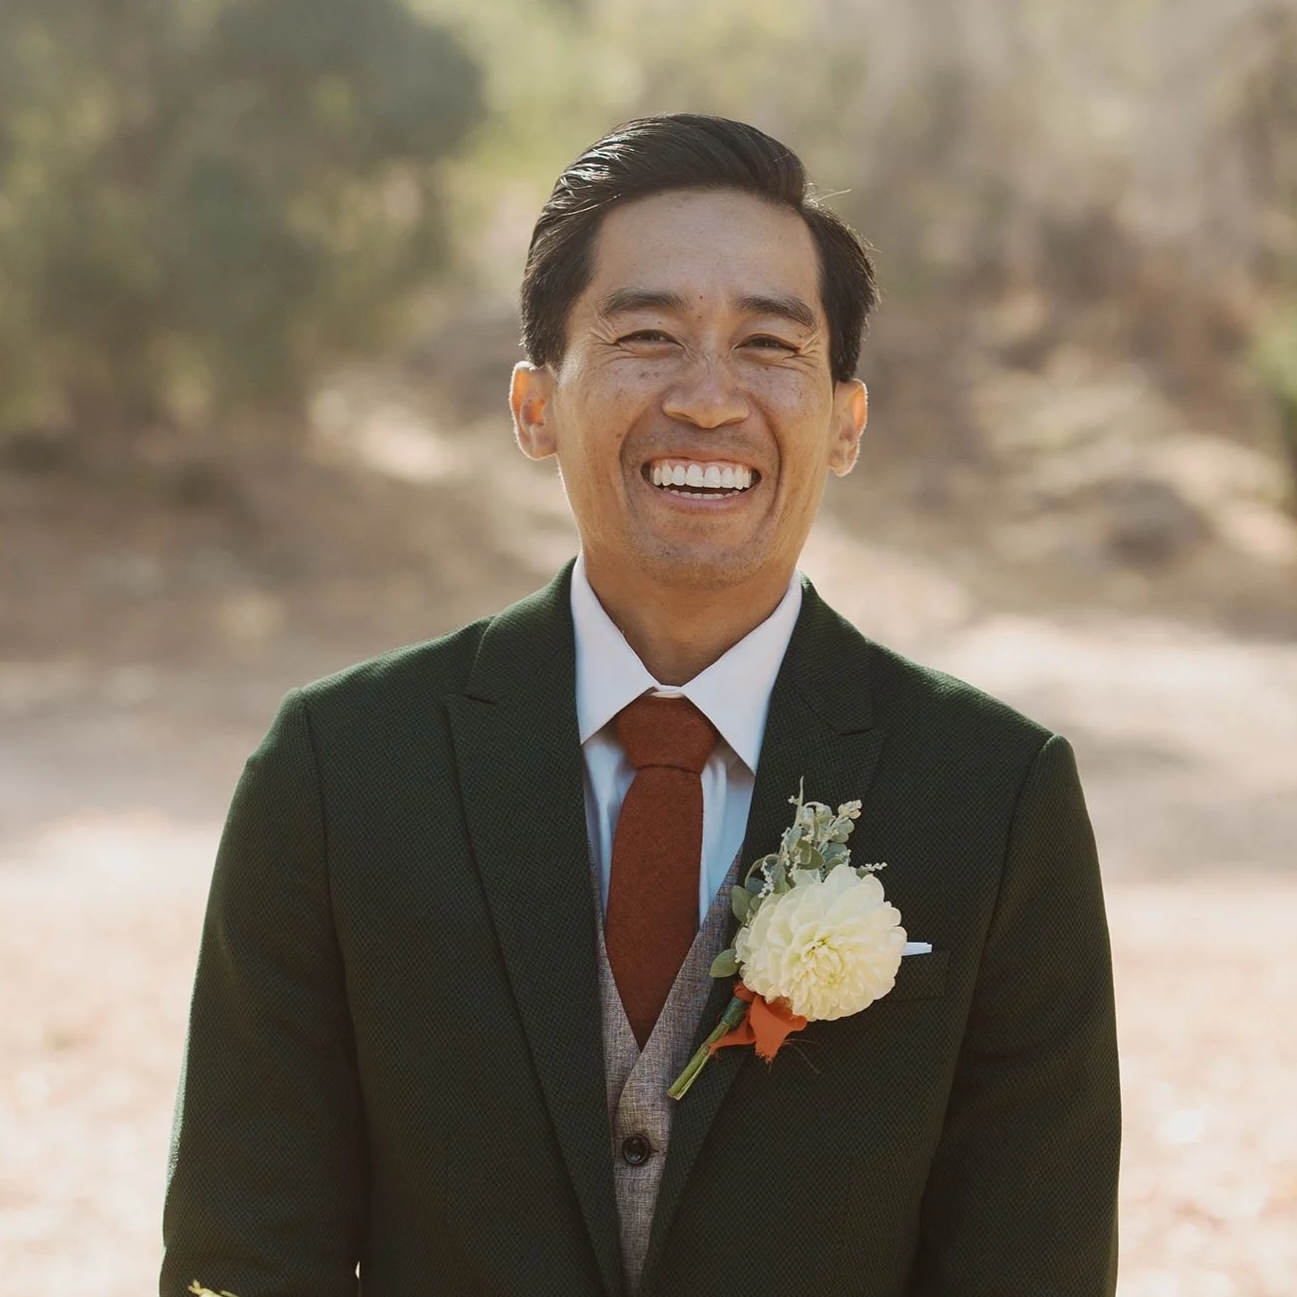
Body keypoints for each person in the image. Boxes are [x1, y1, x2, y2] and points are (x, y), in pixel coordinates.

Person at [161, 114, 1120, 1297]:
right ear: (532, 405)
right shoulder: (337, 768)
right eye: (649, 336)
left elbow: (1032, 1267)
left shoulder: (995, 792)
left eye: (770, 345)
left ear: (847, 423)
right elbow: (247, 1251)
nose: (709, 400)